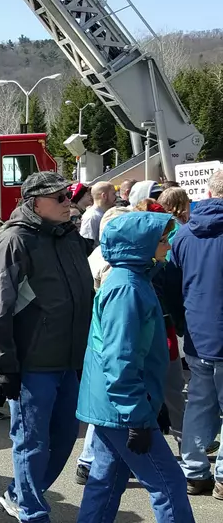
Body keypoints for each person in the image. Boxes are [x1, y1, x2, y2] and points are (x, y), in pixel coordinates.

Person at [0, 171, 94, 520]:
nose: (68, 203)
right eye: (59, 198)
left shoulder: (68, 237)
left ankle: (18, 493)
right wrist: (5, 365)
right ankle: (31, 510)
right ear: (35, 203)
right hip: (32, 363)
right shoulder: (13, 241)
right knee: (32, 443)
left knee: (62, 440)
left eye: (68, 196)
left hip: (69, 360)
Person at [76, 211, 194, 521]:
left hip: (114, 406)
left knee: (106, 481)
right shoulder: (127, 287)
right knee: (169, 483)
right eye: (162, 239)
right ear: (139, 244)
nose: (168, 245)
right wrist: (136, 418)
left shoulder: (132, 279)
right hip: (122, 409)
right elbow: (120, 358)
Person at [172, 170, 223, 497]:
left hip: (197, 335)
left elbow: (173, 286)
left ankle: (194, 471)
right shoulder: (183, 235)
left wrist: (181, 324)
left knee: (199, 405)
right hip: (206, 333)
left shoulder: (183, 235)